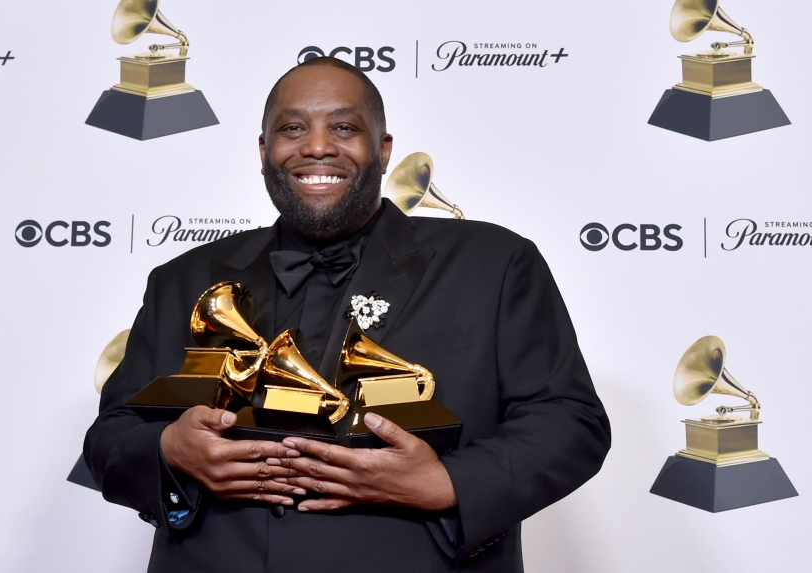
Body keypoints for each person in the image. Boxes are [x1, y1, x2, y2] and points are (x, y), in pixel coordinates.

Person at [84, 57, 611, 573]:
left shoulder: (493, 262)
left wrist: (448, 482)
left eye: (343, 127)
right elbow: (112, 436)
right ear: (264, 151)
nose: (317, 146)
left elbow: (570, 421)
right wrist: (169, 449)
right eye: (293, 128)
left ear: (383, 149)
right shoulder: (183, 278)